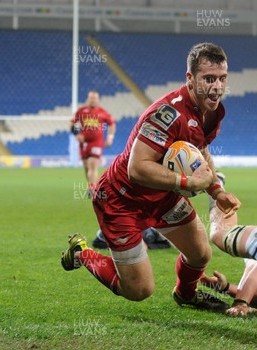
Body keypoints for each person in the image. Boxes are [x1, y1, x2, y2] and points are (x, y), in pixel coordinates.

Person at [61, 43, 241, 311]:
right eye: (208, 79)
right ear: (190, 79)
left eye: (222, 79)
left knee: (201, 253)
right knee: (138, 290)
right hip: (120, 199)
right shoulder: (167, 113)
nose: (216, 87)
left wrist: (217, 191)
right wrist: (190, 183)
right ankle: (82, 254)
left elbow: (200, 150)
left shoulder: (211, 112)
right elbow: (138, 168)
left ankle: (186, 294)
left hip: (162, 197)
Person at [70, 90, 116, 196]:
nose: (93, 100)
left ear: (98, 99)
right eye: (91, 98)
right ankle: (91, 185)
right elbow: (74, 124)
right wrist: (77, 135)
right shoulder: (81, 111)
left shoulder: (102, 112)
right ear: (88, 99)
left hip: (97, 142)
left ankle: (92, 188)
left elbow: (112, 124)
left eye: (95, 98)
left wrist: (110, 137)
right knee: (86, 167)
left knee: (93, 164)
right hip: (84, 143)